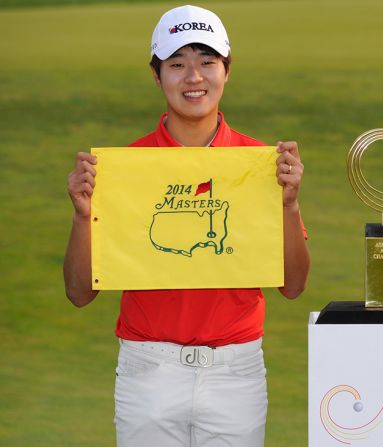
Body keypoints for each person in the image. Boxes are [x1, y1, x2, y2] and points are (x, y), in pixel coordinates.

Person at [63, 5, 310, 446]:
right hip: (148, 369)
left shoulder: (260, 164)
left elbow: (293, 285)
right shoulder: (123, 168)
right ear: (156, 75)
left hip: (236, 370)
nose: (194, 77)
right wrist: (83, 216)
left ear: (227, 70)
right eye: (177, 64)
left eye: (207, 62)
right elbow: (80, 293)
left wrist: (288, 205)